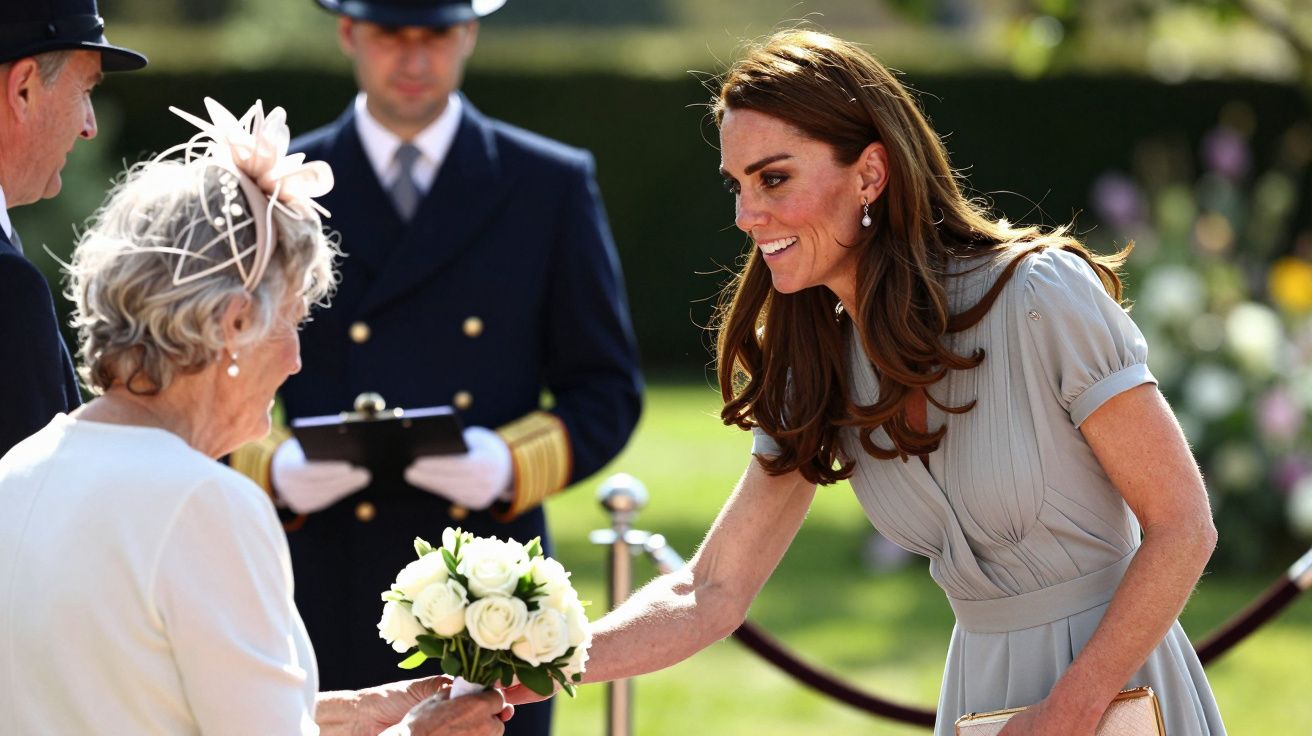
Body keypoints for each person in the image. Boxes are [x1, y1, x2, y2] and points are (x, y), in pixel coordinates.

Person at [509, 30, 1225, 735]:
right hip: (979, 700)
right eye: (738, 184)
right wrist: (533, 661)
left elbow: (1182, 526)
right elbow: (710, 590)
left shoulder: (1038, 295)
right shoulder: (813, 362)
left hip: (1123, 695)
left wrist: (1071, 709)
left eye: (774, 177)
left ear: (871, 174)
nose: (745, 214)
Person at [0, 98, 511, 736]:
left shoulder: (19, 468)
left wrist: (365, 712)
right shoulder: (205, 504)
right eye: (293, 322)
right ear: (234, 322)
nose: (297, 361)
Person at [229, 3, 643, 734]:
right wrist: (269, 468)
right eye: (392, 35)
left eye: (436, 36)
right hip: (322, 568)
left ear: (469, 36)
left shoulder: (547, 182)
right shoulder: (275, 185)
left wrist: (509, 463)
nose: (414, 60)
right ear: (350, 34)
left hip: (486, 590)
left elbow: (605, 386)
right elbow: (210, 366)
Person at [0, 0, 146, 457]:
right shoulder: (7, 286)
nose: (90, 126)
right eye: (85, 89)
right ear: (23, 89)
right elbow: (34, 516)